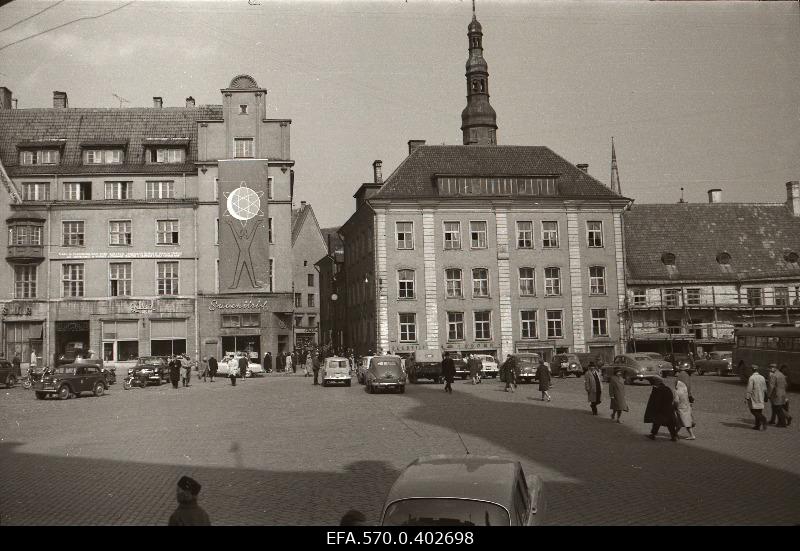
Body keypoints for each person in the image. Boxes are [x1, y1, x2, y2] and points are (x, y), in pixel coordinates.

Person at [644, 375, 678, 441]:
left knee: (657, 422)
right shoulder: (667, 388)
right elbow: (672, 398)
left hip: (661, 409)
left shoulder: (658, 390)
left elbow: (657, 401)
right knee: (670, 423)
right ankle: (674, 436)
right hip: (669, 408)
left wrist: (654, 409)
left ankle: (653, 435)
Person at [746, 364, 768, 430]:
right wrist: (766, 396)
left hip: (754, 396)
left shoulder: (751, 378)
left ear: (752, 370)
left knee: (753, 410)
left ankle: (763, 419)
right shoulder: (762, 377)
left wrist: (747, 397)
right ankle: (757, 425)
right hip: (761, 395)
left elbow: (749, 389)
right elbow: (765, 388)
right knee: (759, 411)